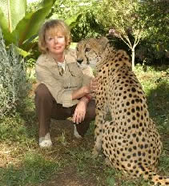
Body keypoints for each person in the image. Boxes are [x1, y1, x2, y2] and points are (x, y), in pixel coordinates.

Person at [35, 19, 97, 148]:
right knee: (41, 90)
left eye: (60, 37)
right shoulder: (41, 63)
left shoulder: (77, 55)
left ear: (66, 39)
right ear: (44, 42)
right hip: (56, 107)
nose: (56, 42)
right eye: (51, 38)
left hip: (77, 104)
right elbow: (59, 95)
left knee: (93, 106)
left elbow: (90, 82)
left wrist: (84, 101)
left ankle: (79, 128)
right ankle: (44, 132)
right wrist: (83, 91)